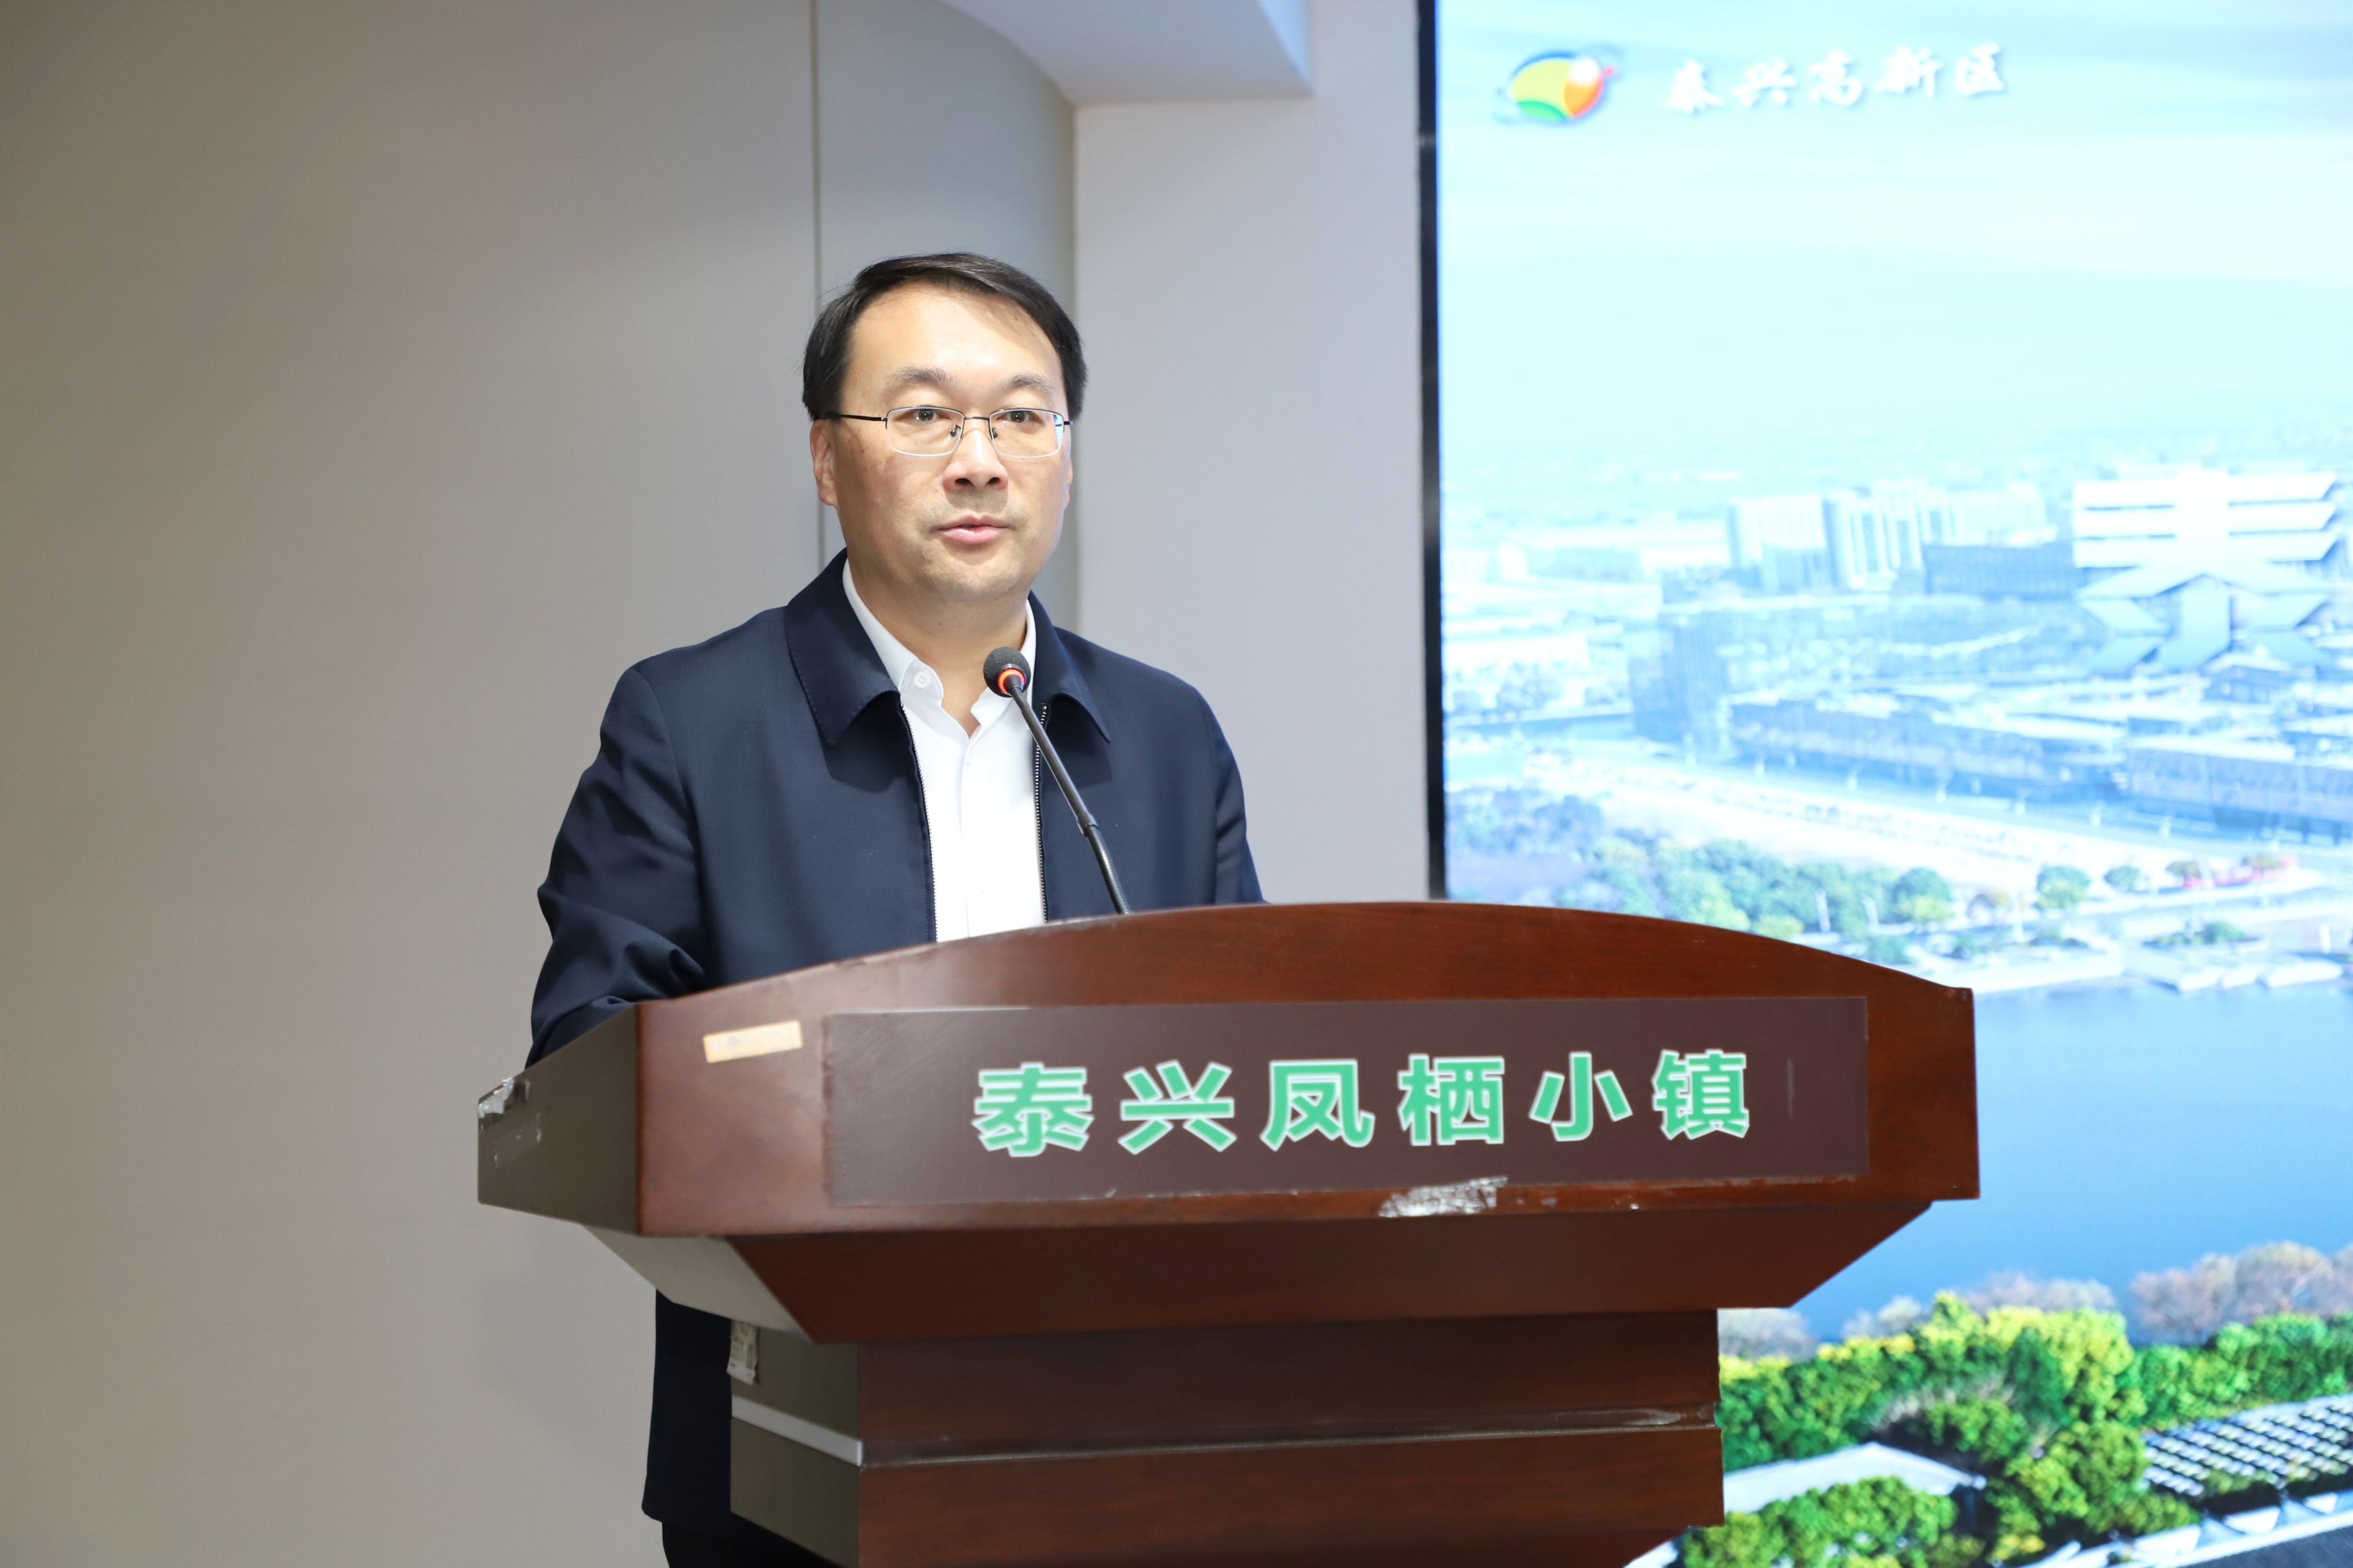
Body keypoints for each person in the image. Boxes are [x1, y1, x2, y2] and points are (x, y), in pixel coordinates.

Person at [526, 253, 1263, 1565]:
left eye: (1021, 417)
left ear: (1066, 456)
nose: (978, 462)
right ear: (826, 457)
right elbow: (595, 1057)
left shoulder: (1163, 733)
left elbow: (1248, 1058)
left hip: (1124, 1450)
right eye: (923, 415)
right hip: (795, 1456)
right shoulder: (690, 721)